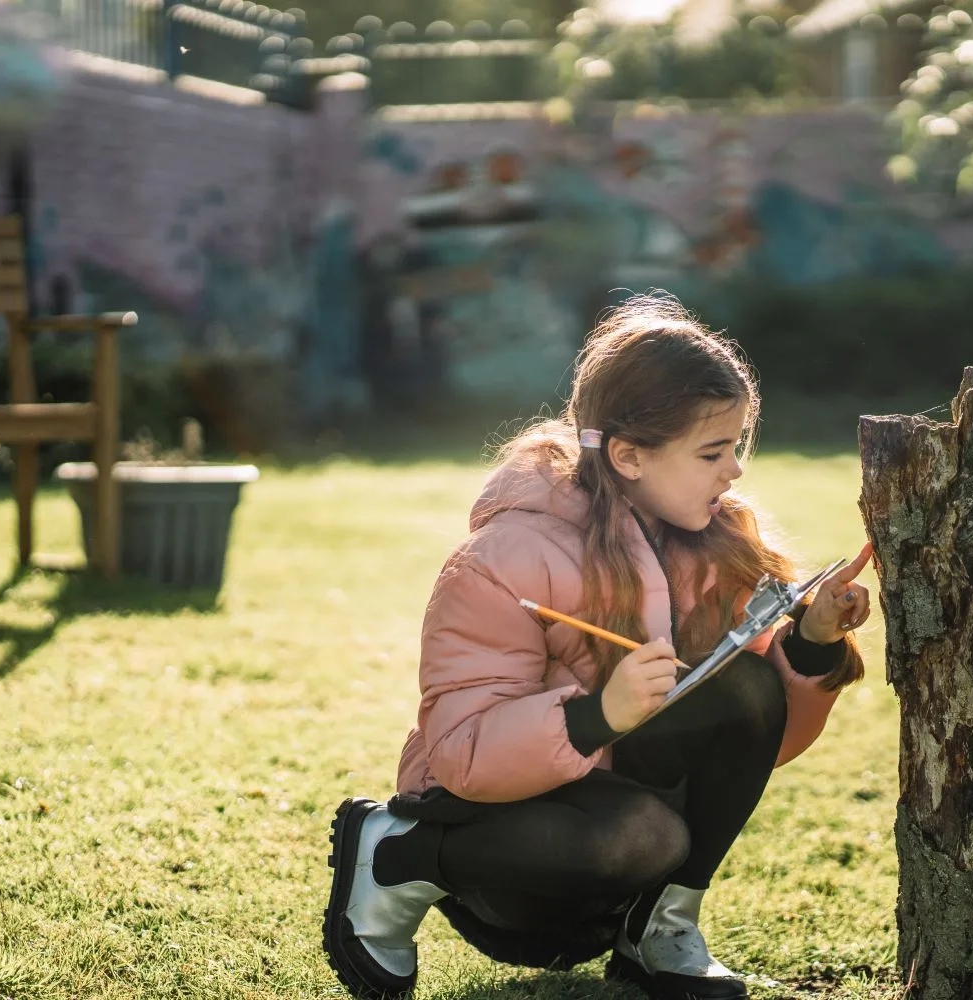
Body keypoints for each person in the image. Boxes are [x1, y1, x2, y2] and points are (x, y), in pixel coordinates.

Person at [321, 294, 872, 1000]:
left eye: (737, 446)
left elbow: (759, 739)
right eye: (712, 452)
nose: (733, 471)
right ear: (628, 455)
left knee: (744, 688)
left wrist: (813, 641)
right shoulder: (505, 558)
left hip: (615, 854)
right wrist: (595, 716)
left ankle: (662, 928)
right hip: (512, 857)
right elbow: (459, 753)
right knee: (642, 836)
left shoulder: (717, 546)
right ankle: (398, 853)